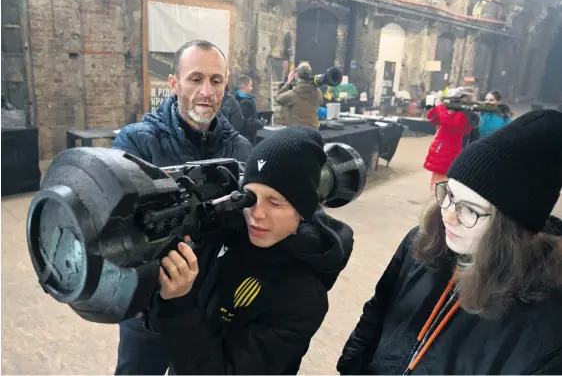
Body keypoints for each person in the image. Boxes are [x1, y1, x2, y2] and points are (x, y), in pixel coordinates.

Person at [337, 109, 562, 375]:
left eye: (471, 209)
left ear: (512, 228)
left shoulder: (545, 331)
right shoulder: (421, 241)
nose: (448, 215)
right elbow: (377, 314)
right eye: (449, 194)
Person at [147, 126, 355, 374]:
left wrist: (179, 304)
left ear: (303, 211)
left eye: (275, 202)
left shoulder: (304, 296)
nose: (256, 214)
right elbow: (157, 321)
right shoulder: (226, 235)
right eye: (250, 198)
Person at [112, 39, 252, 375]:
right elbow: (115, 228)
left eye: (216, 81)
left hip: (204, 306)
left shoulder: (240, 149)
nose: (207, 91)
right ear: (174, 84)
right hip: (146, 305)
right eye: (195, 79)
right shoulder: (135, 142)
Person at [423, 98, 472, 193]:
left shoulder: (463, 115)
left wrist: (440, 106)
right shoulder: (451, 113)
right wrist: (439, 107)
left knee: (440, 185)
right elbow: (432, 118)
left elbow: (448, 122)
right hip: (441, 151)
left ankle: (439, 204)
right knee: (435, 182)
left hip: (447, 154)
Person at [276, 63, 323, 129]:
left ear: (296, 75)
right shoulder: (318, 92)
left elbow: (278, 99)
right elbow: (320, 102)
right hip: (313, 132)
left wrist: (288, 83)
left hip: (296, 134)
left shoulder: (292, 94)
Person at [234, 75, 264, 145]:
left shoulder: (236, 98)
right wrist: (261, 123)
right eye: (250, 85)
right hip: (246, 138)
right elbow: (246, 123)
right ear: (244, 86)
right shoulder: (244, 103)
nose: (252, 88)